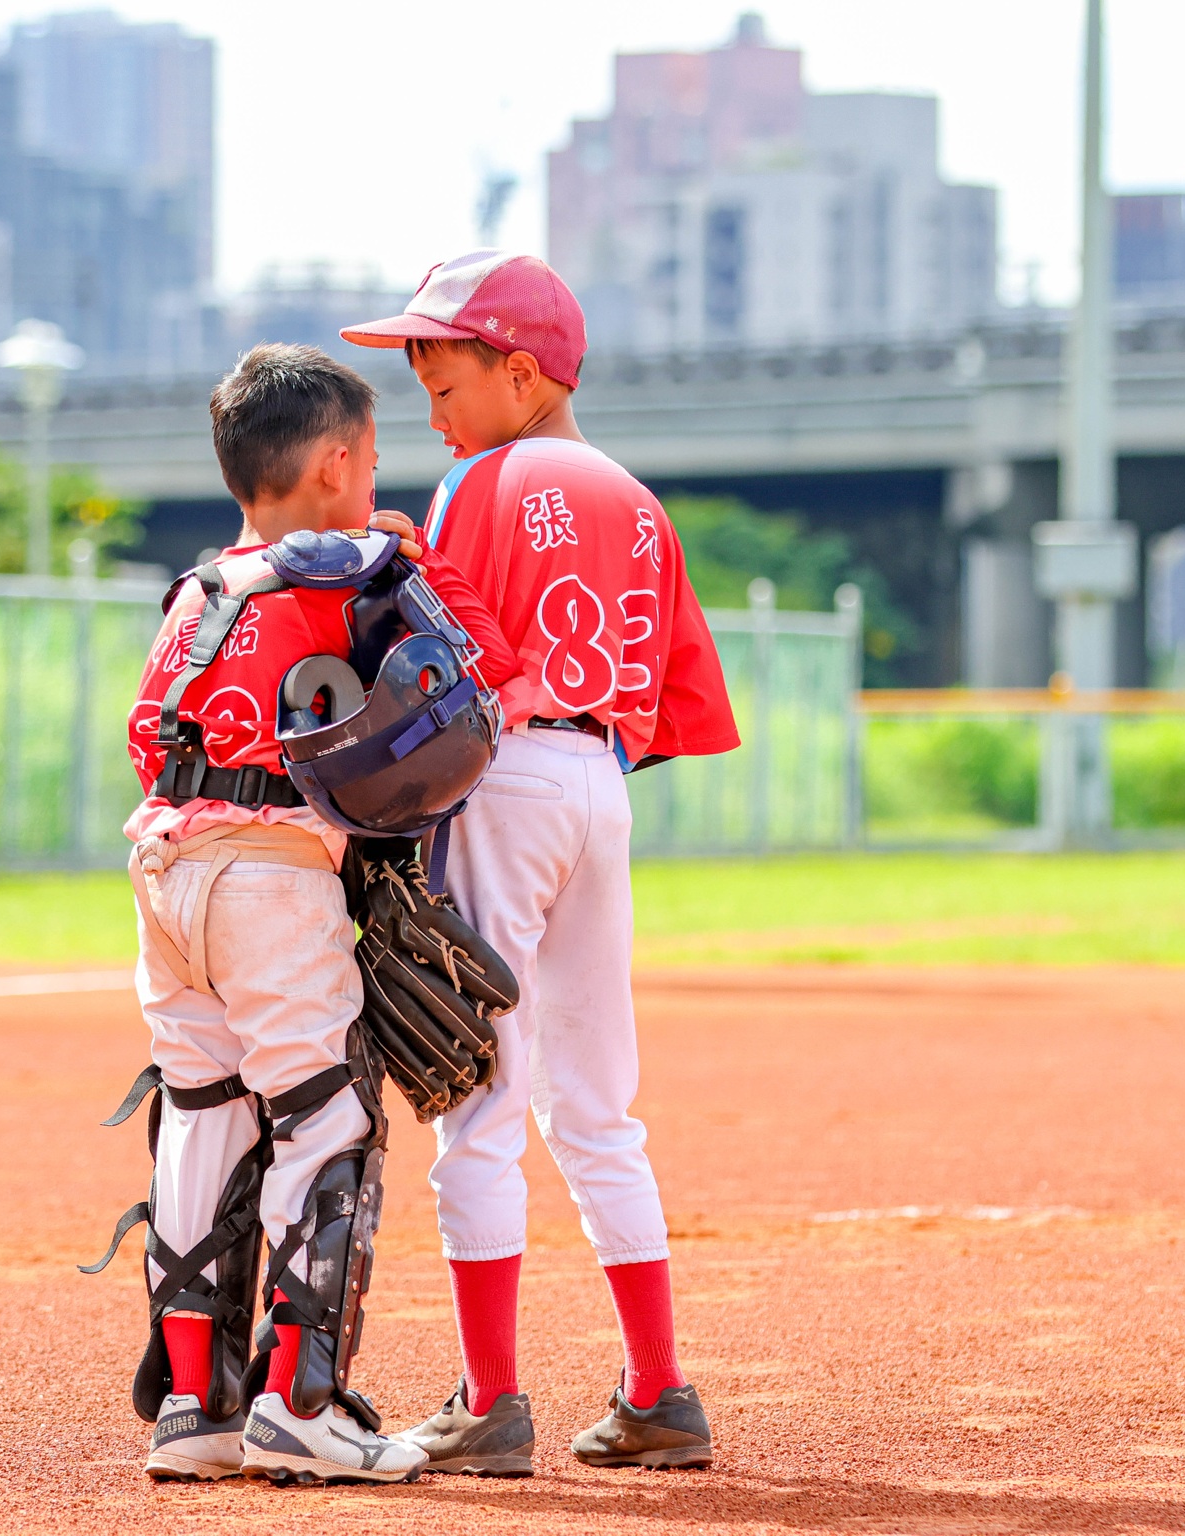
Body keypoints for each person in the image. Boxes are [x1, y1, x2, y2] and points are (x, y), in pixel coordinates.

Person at [341, 251, 740, 1474]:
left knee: (479, 1098)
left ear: (518, 370)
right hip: (598, 786)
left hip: (502, 776)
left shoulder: (481, 479)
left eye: (443, 376)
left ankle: (490, 1401)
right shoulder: (635, 498)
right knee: (597, 1101)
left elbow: (445, 653)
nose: (431, 410)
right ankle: (659, 1389)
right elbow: (677, 694)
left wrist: (393, 554)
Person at [98, 343, 512, 1485]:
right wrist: (407, 550)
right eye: (371, 456)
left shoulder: (194, 591)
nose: (376, 476)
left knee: (200, 1115)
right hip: (270, 879)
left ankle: (196, 1405)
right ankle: (298, 1403)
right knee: (327, 1118)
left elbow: (146, 739)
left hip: (163, 872)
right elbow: (481, 670)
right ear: (336, 462)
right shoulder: (351, 564)